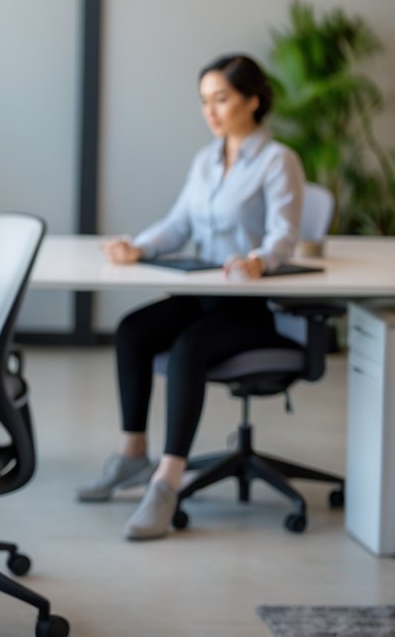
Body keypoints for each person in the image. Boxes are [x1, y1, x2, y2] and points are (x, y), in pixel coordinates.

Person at [77, 53, 305, 541]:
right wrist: (136, 246)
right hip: (203, 289)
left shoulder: (276, 160)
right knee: (133, 331)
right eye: (204, 101)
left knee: (188, 350)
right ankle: (133, 456)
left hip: (253, 303)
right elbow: (178, 224)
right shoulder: (206, 160)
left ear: (253, 100)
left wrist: (259, 260)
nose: (211, 111)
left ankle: (168, 482)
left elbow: (285, 233)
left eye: (221, 99)